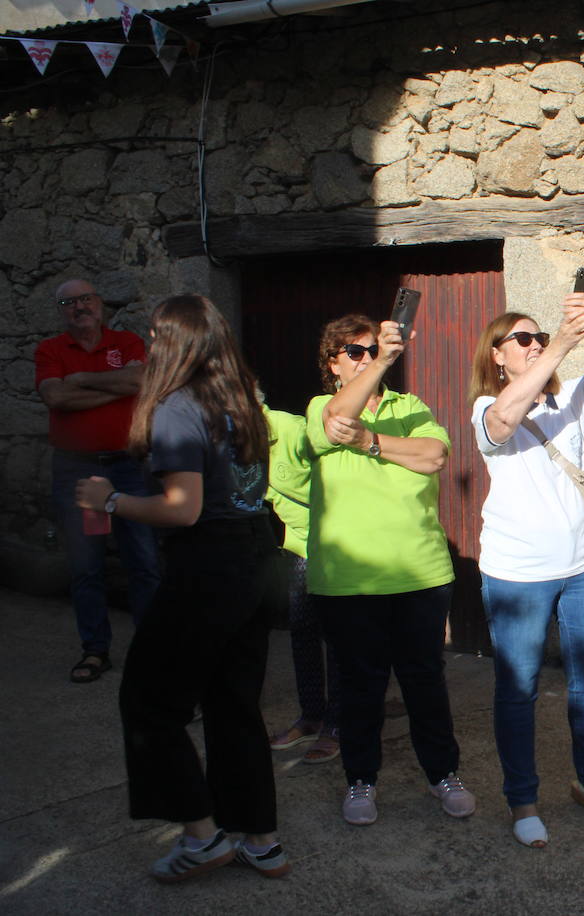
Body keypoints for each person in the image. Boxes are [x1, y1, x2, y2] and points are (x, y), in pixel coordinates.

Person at [74, 294, 286, 881]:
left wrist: (111, 500)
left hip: (209, 567)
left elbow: (183, 509)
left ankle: (202, 835)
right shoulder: (241, 401)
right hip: (254, 559)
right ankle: (262, 841)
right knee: (232, 704)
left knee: (148, 704)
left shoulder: (176, 406)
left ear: (172, 343)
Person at [306, 313, 472, 826]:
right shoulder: (320, 407)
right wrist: (379, 363)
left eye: (370, 349)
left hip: (418, 573)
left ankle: (443, 774)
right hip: (349, 578)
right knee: (360, 686)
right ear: (333, 365)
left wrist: (371, 443)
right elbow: (338, 421)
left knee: (425, 682)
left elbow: (434, 456)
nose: (364, 358)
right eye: (353, 352)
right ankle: (361, 780)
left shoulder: (410, 406)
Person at [469, 295, 584, 848]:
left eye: (539, 338)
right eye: (524, 340)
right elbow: (504, 422)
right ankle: (523, 799)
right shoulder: (487, 406)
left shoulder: (571, 399)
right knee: (519, 689)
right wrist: (560, 341)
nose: (535, 345)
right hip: (517, 573)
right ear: (497, 356)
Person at [35, 278, 159, 683]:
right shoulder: (50, 350)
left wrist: (80, 380)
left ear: (99, 303)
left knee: (143, 559)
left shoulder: (126, 342)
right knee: (86, 564)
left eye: (84, 299)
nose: (78, 307)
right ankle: (95, 650)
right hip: (80, 471)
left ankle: (151, 650)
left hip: (127, 465)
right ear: (61, 311)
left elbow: (142, 383)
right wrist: (117, 389)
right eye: (68, 302)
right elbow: (56, 398)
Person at [264, 403, 340, 764]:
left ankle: (338, 724)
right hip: (298, 545)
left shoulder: (290, 428)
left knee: (338, 636)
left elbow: (339, 472)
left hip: (338, 545)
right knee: (302, 629)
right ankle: (311, 716)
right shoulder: (234, 438)